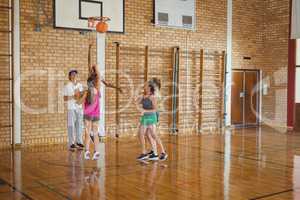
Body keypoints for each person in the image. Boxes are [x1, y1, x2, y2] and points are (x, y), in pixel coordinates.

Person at [63, 69, 85, 151]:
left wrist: (82, 103)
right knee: (71, 126)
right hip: (71, 108)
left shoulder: (79, 85)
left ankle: (79, 141)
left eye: (75, 74)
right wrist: (73, 96)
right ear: (69, 76)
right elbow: (64, 98)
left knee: (79, 125)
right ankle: (71, 143)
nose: (74, 75)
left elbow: (82, 96)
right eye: (72, 74)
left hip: (79, 108)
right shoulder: (67, 86)